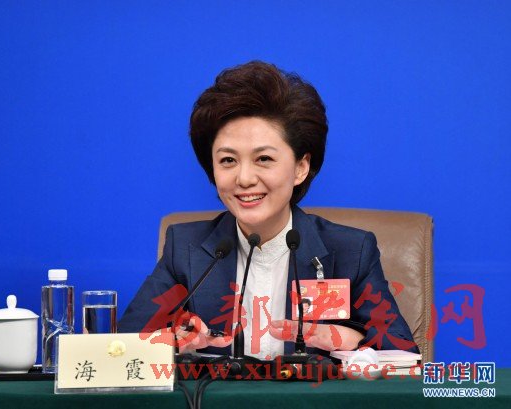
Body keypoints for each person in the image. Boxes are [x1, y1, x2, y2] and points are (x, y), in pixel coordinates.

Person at [118, 61, 417, 359]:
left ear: (300, 167)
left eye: (263, 159)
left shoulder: (351, 251)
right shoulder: (186, 250)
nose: (244, 178)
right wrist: (169, 345)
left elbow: (404, 354)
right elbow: (119, 351)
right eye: (228, 160)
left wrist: (347, 339)